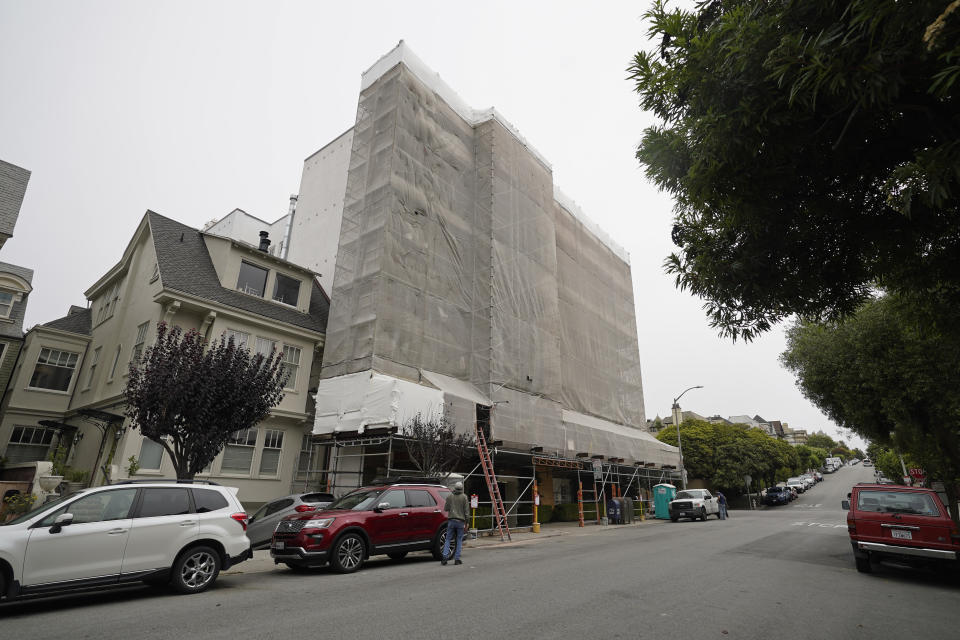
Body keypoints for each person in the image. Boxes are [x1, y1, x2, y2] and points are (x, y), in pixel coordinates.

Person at [442, 481, 470, 565]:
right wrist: (467, 522)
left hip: (451, 520)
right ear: (462, 488)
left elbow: (446, 508)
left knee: (448, 539)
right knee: (459, 539)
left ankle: (444, 558)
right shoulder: (464, 497)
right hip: (460, 522)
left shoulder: (450, 496)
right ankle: (457, 559)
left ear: (454, 488)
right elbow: (466, 512)